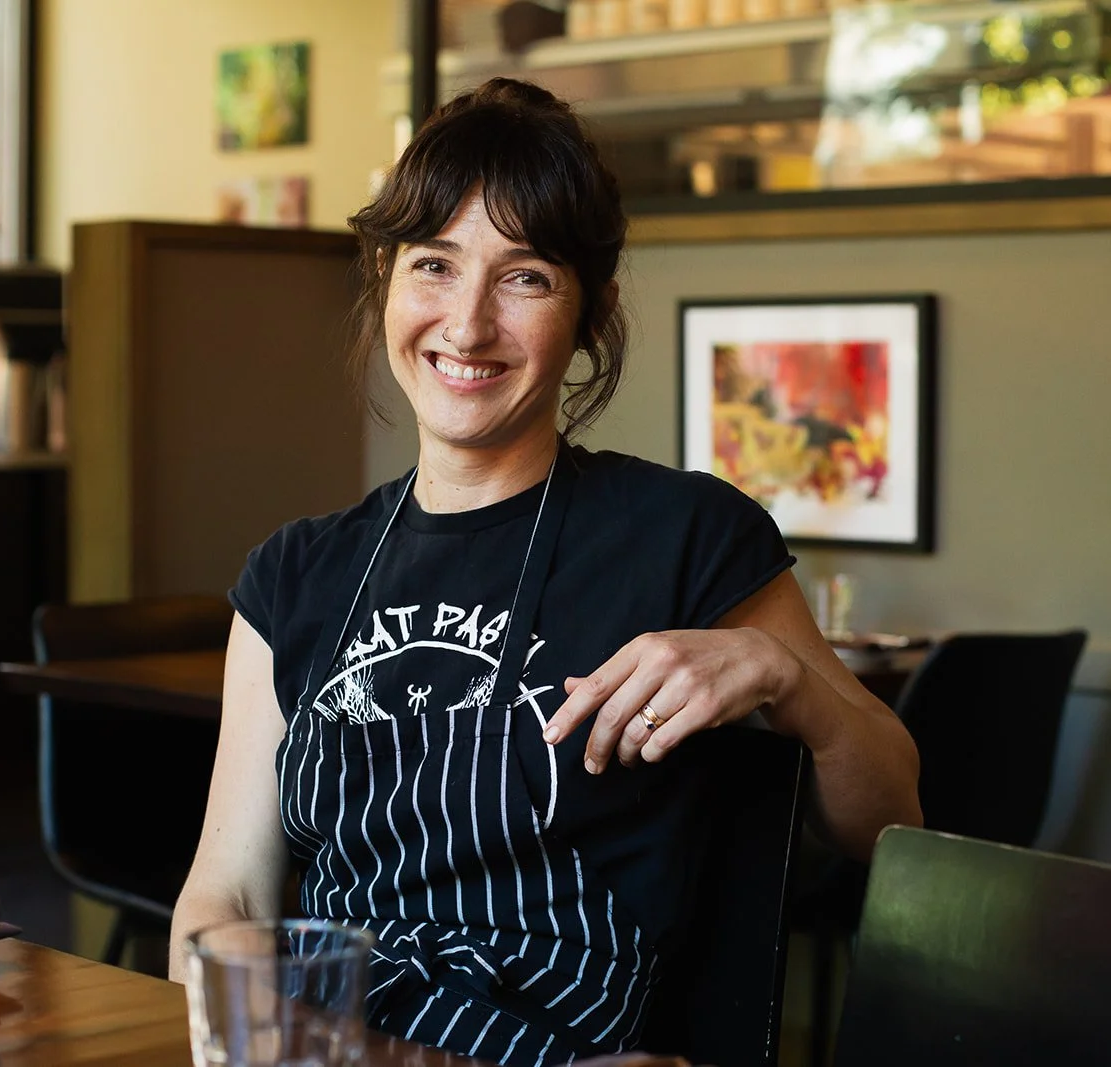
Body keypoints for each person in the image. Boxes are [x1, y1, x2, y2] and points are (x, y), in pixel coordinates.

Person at [171, 77, 921, 1066]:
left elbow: (893, 825)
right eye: (433, 265)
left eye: (523, 277)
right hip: (335, 1046)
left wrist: (788, 680)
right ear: (386, 280)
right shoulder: (294, 573)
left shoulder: (685, 534)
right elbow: (227, 893)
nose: (467, 324)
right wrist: (248, 1015)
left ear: (588, 311)